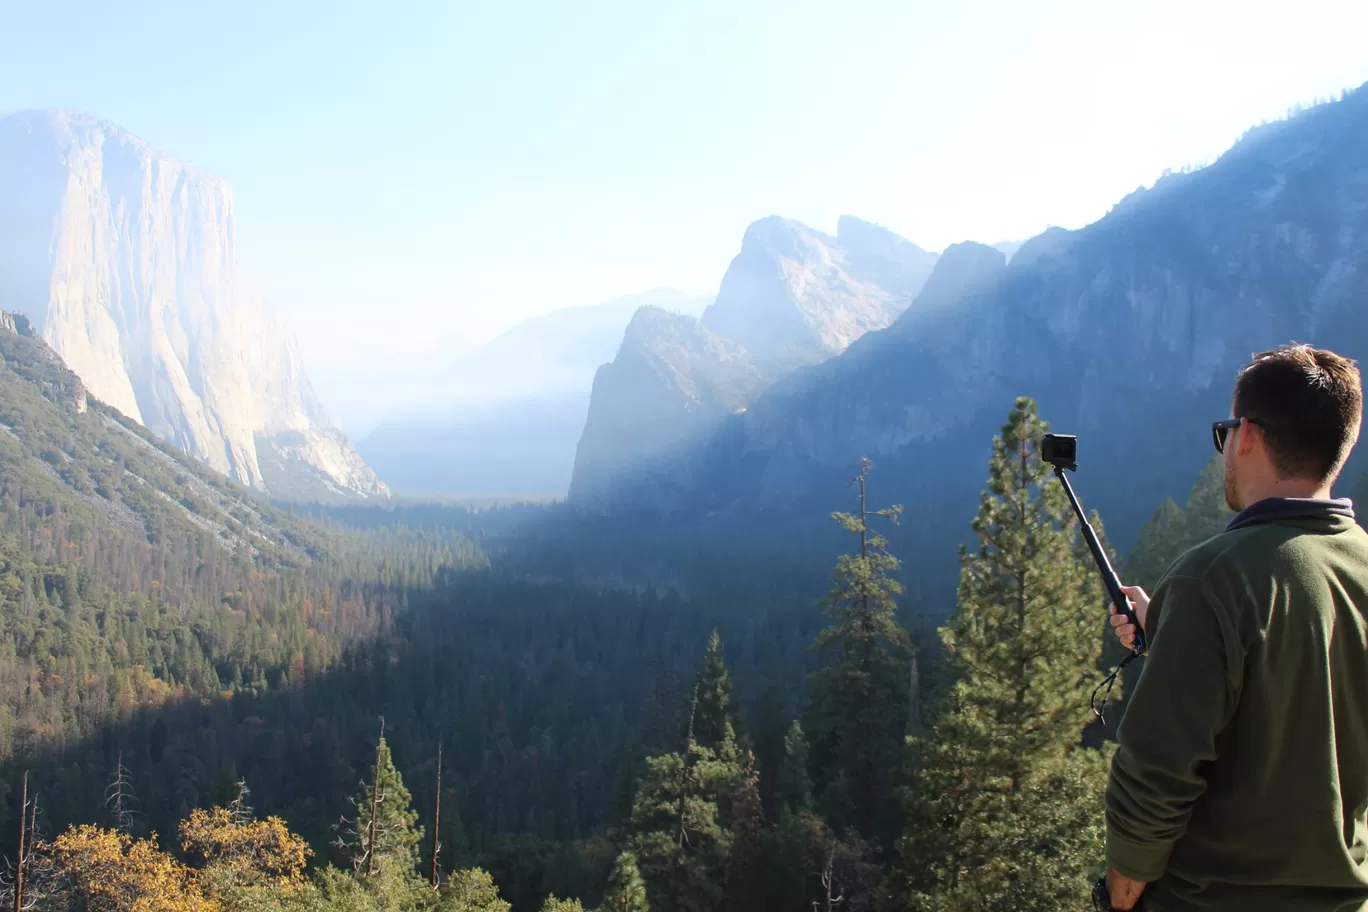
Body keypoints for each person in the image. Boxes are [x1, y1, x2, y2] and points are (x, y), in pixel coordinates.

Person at [1102, 343, 1368, 912]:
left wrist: (1121, 894)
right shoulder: (1360, 564)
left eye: (1225, 433)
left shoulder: (1212, 580)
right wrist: (1170, 630)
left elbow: (1155, 773)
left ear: (1245, 434)